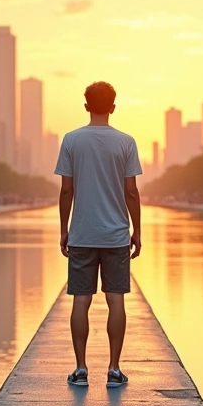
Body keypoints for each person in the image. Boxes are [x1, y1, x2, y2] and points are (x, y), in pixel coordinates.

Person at [55, 81, 142, 389]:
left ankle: (80, 370)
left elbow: (67, 189)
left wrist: (64, 230)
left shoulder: (71, 140)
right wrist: (137, 231)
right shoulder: (126, 142)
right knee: (116, 301)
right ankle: (114, 370)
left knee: (81, 301)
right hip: (116, 236)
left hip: (82, 234)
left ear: (86, 106)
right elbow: (131, 192)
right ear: (113, 107)